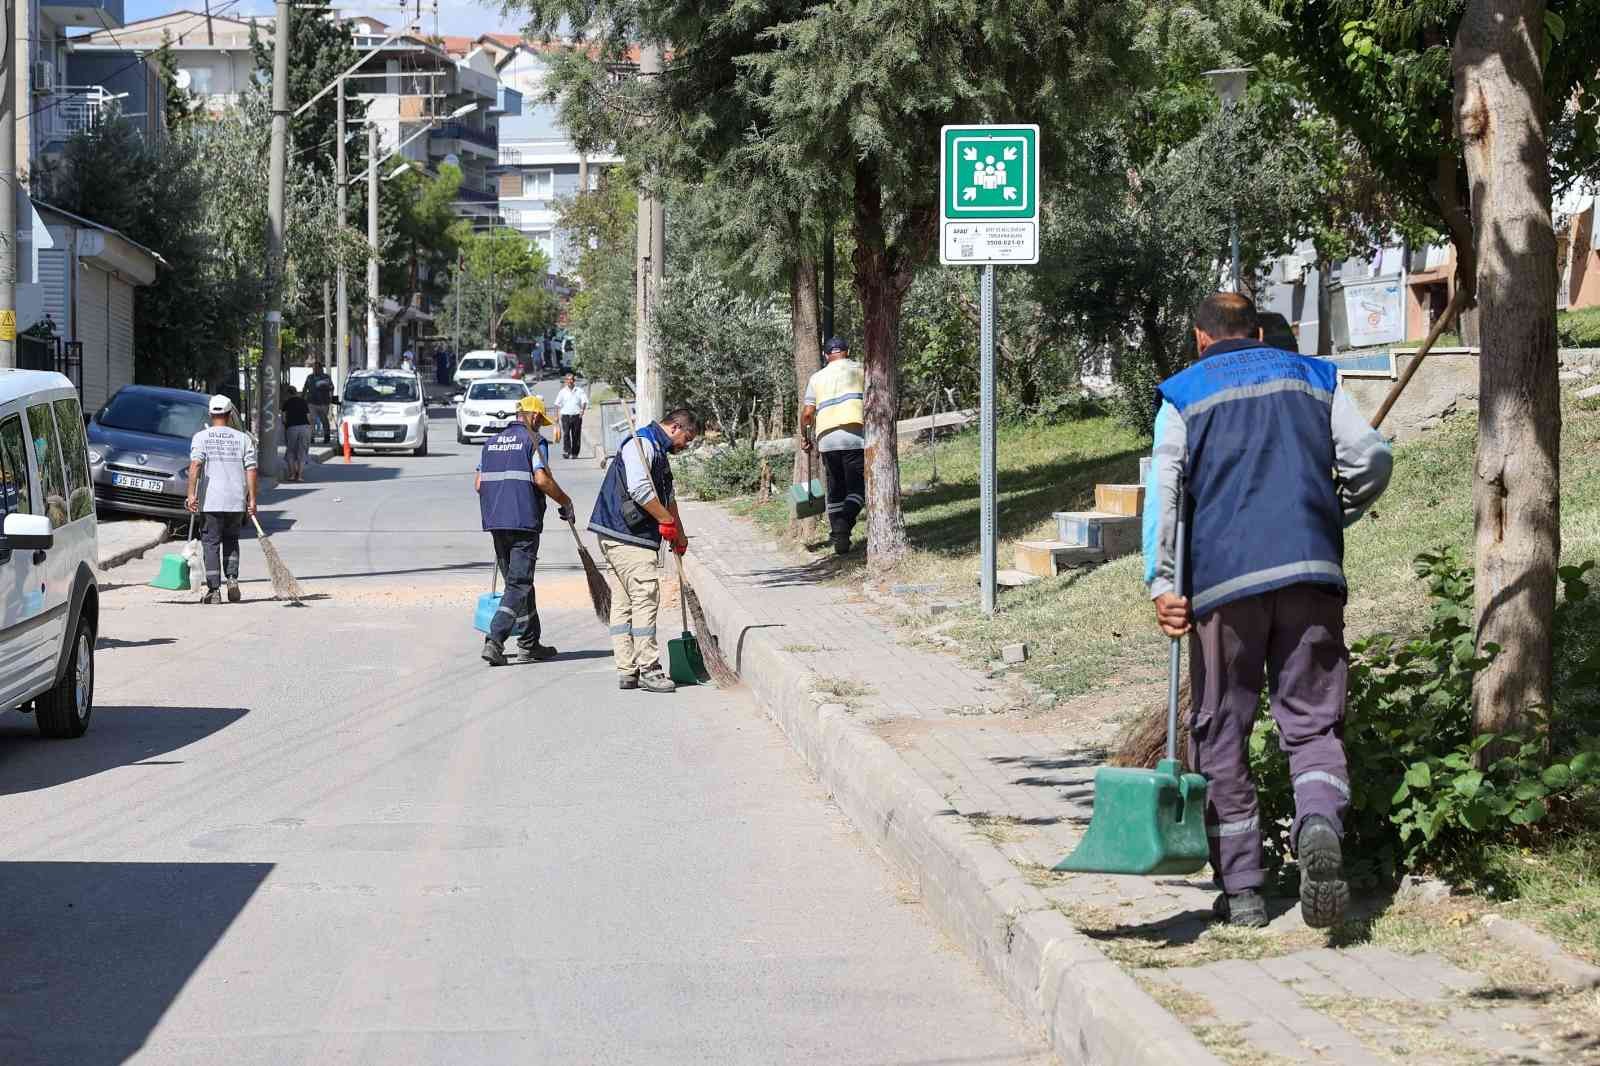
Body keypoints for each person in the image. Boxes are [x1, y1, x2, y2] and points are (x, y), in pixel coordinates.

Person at [1143, 292, 1393, 930]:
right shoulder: (1316, 377)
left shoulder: (1183, 393)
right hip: (1312, 572)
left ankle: (1246, 891)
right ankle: (1317, 823)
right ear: (1257, 331)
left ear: (1200, 339)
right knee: (1312, 723)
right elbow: (1369, 459)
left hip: (1222, 587)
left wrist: (1163, 583)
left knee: (1221, 729)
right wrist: (1337, 513)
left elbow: (1166, 492)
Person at [588, 407, 701, 693]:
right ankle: (649, 668)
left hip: (621, 534)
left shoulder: (658, 452)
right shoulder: (642, 444)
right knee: (645, 597)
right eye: (687, 438)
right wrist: (663, 519)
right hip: (627, 536)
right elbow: (640, 490)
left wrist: (680, 534)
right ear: (675, 427)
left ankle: (628, 670)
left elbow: (668, 497)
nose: (686, 446)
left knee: (625, 601)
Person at [475, 394, 575, 667]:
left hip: (496, 522)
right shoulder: (533, 441)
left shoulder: (491, 443)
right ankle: (495, 640)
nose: (540, 426)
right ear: (532, 417)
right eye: (539, 421)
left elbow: (478, 483)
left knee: (518, 583)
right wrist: (565, 501)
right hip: (523, 523)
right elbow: (541, 479)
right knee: (519, 584)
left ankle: (530, 644)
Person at [186, 395, 259, 605]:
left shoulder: (201, 437)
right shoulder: (243, 438)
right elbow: (251, 469)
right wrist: (252, 499)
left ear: (211, 414)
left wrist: (191, 494)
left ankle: (214, 589)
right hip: (236, 501)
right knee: (231, 540)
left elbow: (195, 466)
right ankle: (233, 579)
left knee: (211, 543)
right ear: (229, 415)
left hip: (211, 501)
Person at [800, 336, 866, 555]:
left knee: (836, 489)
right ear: (847, 351)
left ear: (826, 355)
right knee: (858, 488)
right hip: (854, 435)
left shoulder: (817, 378)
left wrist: (805, 437)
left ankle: (841, 539)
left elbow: (808, 413)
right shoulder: (860, 369)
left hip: (827, 439)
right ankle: (844, 524)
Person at [282, 385, 313, 482]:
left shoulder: (286, 403)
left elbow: (283, 418)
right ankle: (299, 476)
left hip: (292, 428)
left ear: (288, 394)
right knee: (302, 452)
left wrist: (286, 426)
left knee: (290, 451)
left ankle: (292, 475)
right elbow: (308, 417)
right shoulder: (303, 402)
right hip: (305, 428)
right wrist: (310, 427)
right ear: (296, 392)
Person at [554, 373, 588, 460]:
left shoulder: (579, 391)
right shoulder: (562, 392)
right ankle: (566, 451)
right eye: (568, 379)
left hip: (576, 416)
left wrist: (582, 411)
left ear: (574, 381)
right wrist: (556, 416)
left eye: (572, 379)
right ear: (566, 381)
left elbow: (584, 401)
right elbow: (557, 404)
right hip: (565, 416)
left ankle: (575, 453)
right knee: (566, 434)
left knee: (575, 435)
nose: (570, 381)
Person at [305, 360, 335, 444]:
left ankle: (327, 436)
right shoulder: (309, 377)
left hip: (324, 402)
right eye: (314, 368)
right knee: (312, 421)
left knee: (324, 420)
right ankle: (311, 437)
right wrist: (303, 399)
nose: (315, 370)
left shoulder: (326, 377)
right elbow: (305, 388)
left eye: (317, 368)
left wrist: (330, 397)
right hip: (312, 402)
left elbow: (332, 388)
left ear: (321, 369)